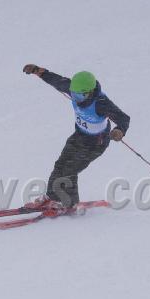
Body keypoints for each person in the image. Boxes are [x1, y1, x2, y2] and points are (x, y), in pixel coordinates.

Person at [22, 65, 130, 213]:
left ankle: (70, 203)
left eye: (80, 96)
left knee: (70, 170)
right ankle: (52, 197)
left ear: (90, 92)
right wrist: (39, 71)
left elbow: (123, 118)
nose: (76, 99)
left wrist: (119, 131)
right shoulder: (76, 91)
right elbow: (57, 81)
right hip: (79, 136)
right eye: (74, 94)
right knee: (60, 165)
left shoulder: (101, 103)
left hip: (96, 143)